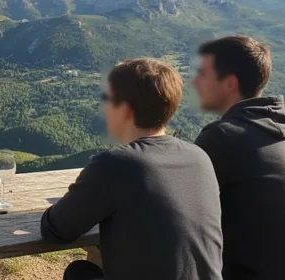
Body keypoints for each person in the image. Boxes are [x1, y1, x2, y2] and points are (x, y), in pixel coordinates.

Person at [40, 58, 223, 280]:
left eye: (107, 99)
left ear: (125, 109)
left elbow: (56, 230)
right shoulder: (199, 157)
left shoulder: (116, 164)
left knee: (78, 273)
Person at [193, 36, 285, 279]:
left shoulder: (224, 136)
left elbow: (174, 204)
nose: (195, 82)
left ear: (230, 83)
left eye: (203, 74)